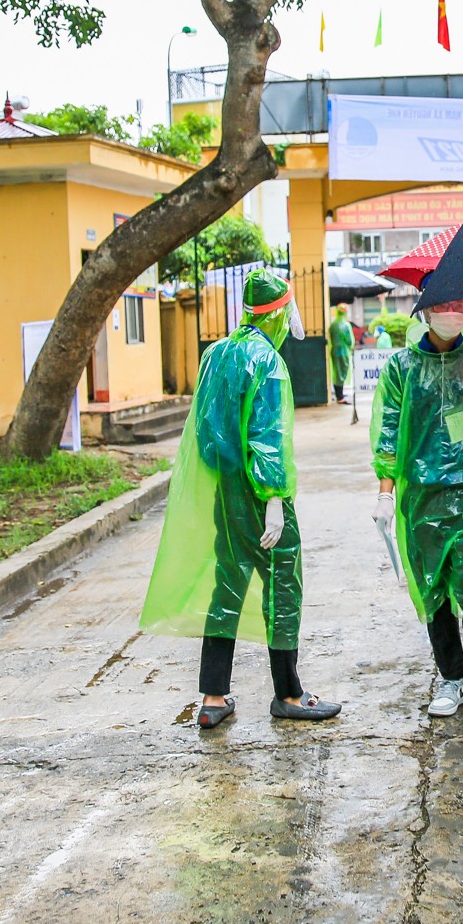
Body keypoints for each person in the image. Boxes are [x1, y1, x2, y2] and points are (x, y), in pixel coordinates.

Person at [140, 269, 341, 726]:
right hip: (261, 496)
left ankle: (213, 697)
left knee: (226, 586)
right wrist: (273, 496)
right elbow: (269, 435)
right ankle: (288, 693)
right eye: (288, 309)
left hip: (225, 495)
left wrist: (228, 481)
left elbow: (207, 431)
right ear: (275, 314)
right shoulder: (268, 362)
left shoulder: (216, 355)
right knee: (282, 588)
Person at [371, 298, 463, 717]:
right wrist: (385, 490)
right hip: (421, 499)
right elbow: (390, 430)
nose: (453, 312)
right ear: (426, 311)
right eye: (444, 304)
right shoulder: (401, 368)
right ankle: (453, 676)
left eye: (461, 304)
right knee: (432, 591)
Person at [328, 304, 355, 404]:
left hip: (334, 351)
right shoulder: (346, 325)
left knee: (336, 373)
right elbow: (349, 341)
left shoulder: (333, 325)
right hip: (343, 352)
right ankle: (340, 397)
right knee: (342, 373)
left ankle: (339, 394)